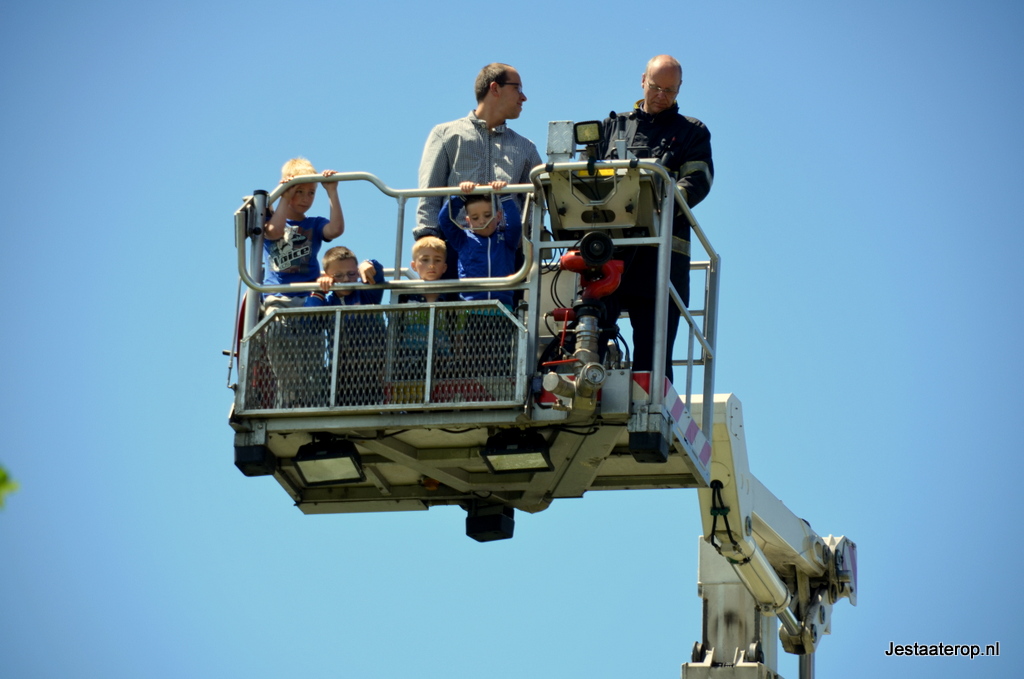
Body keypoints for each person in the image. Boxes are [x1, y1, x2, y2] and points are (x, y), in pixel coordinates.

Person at [599, 55, 714, 382]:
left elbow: (699, 181)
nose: (661, 96)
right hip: (608, 252)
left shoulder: (691, 132)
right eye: (655, 87)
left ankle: (650, 404)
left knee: (653, 356)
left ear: (679, 89)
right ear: (642, 81)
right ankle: (586, 383)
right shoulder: (611, 127)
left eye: (670, 90)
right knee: (590, 328)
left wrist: (658, 203)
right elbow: (583, 178)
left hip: (661, 259)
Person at [415, 63, 542, 282]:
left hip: (506, 254)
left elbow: (536, 202)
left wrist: (528, 244)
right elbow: (429, 193)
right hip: (454, 248)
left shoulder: (526, 148)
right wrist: (428, 239)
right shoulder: (446, 134)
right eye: (518, 88)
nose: (524, 97)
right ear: (495, 88)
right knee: (453, 307)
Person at [262, 158, 345, 312]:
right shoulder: (270, 220)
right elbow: (274, 232)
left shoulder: (315, 223)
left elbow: (336, 230)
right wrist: (284, 197)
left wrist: (332, 191)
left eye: (311, 193)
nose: (305, 199)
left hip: (310, 296)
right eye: (299, 191)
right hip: (279, 296)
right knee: (276, 322)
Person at [436, 181, 522, 308]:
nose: (482, 221)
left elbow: (515, 225)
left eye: (487, 215)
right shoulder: (462, 240)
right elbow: (444, 220)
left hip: (502, 307)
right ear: (468, 220)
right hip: (470, 307)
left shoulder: (506, 240)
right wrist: (460, 196)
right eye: (475, 218)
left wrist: (505, 196)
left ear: (499, 216)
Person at [304, 246, 384, 307]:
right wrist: (319, 291)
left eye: (351, 273)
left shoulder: (366, 294)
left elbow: (377, 275)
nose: (346, 279)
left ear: (358, 273)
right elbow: (308, 319)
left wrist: (369, 263)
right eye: (338, 275)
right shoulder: (327, 303)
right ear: (327, 277)